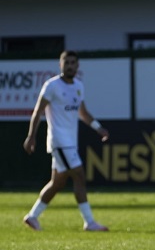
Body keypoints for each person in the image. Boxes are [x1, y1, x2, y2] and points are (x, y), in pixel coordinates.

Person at [22, 50, 109, 232]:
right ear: (60, 65)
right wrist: (31, 136)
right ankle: (89, 222)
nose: (69, 66)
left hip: (70, 142)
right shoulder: (51, 85)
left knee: (58, 182)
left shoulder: (78, 85)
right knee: (79, 175)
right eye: (66, 62)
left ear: (77, 66)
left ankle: (32, 216)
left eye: (72, 63)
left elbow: (83, 113)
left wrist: (98, 128)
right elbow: (38, 111)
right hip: (59, 141)